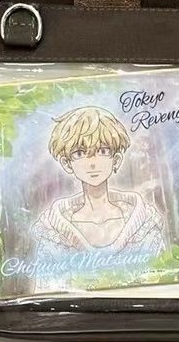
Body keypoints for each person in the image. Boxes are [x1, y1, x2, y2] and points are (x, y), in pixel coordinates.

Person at [30, 106, 164, 290]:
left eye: (102, 151)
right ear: (67, 164)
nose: (92, 163)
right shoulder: (52, 232)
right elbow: (46, 290)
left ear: (116, 160)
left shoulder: (145, 223)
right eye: (79, 153)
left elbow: (161, 281)